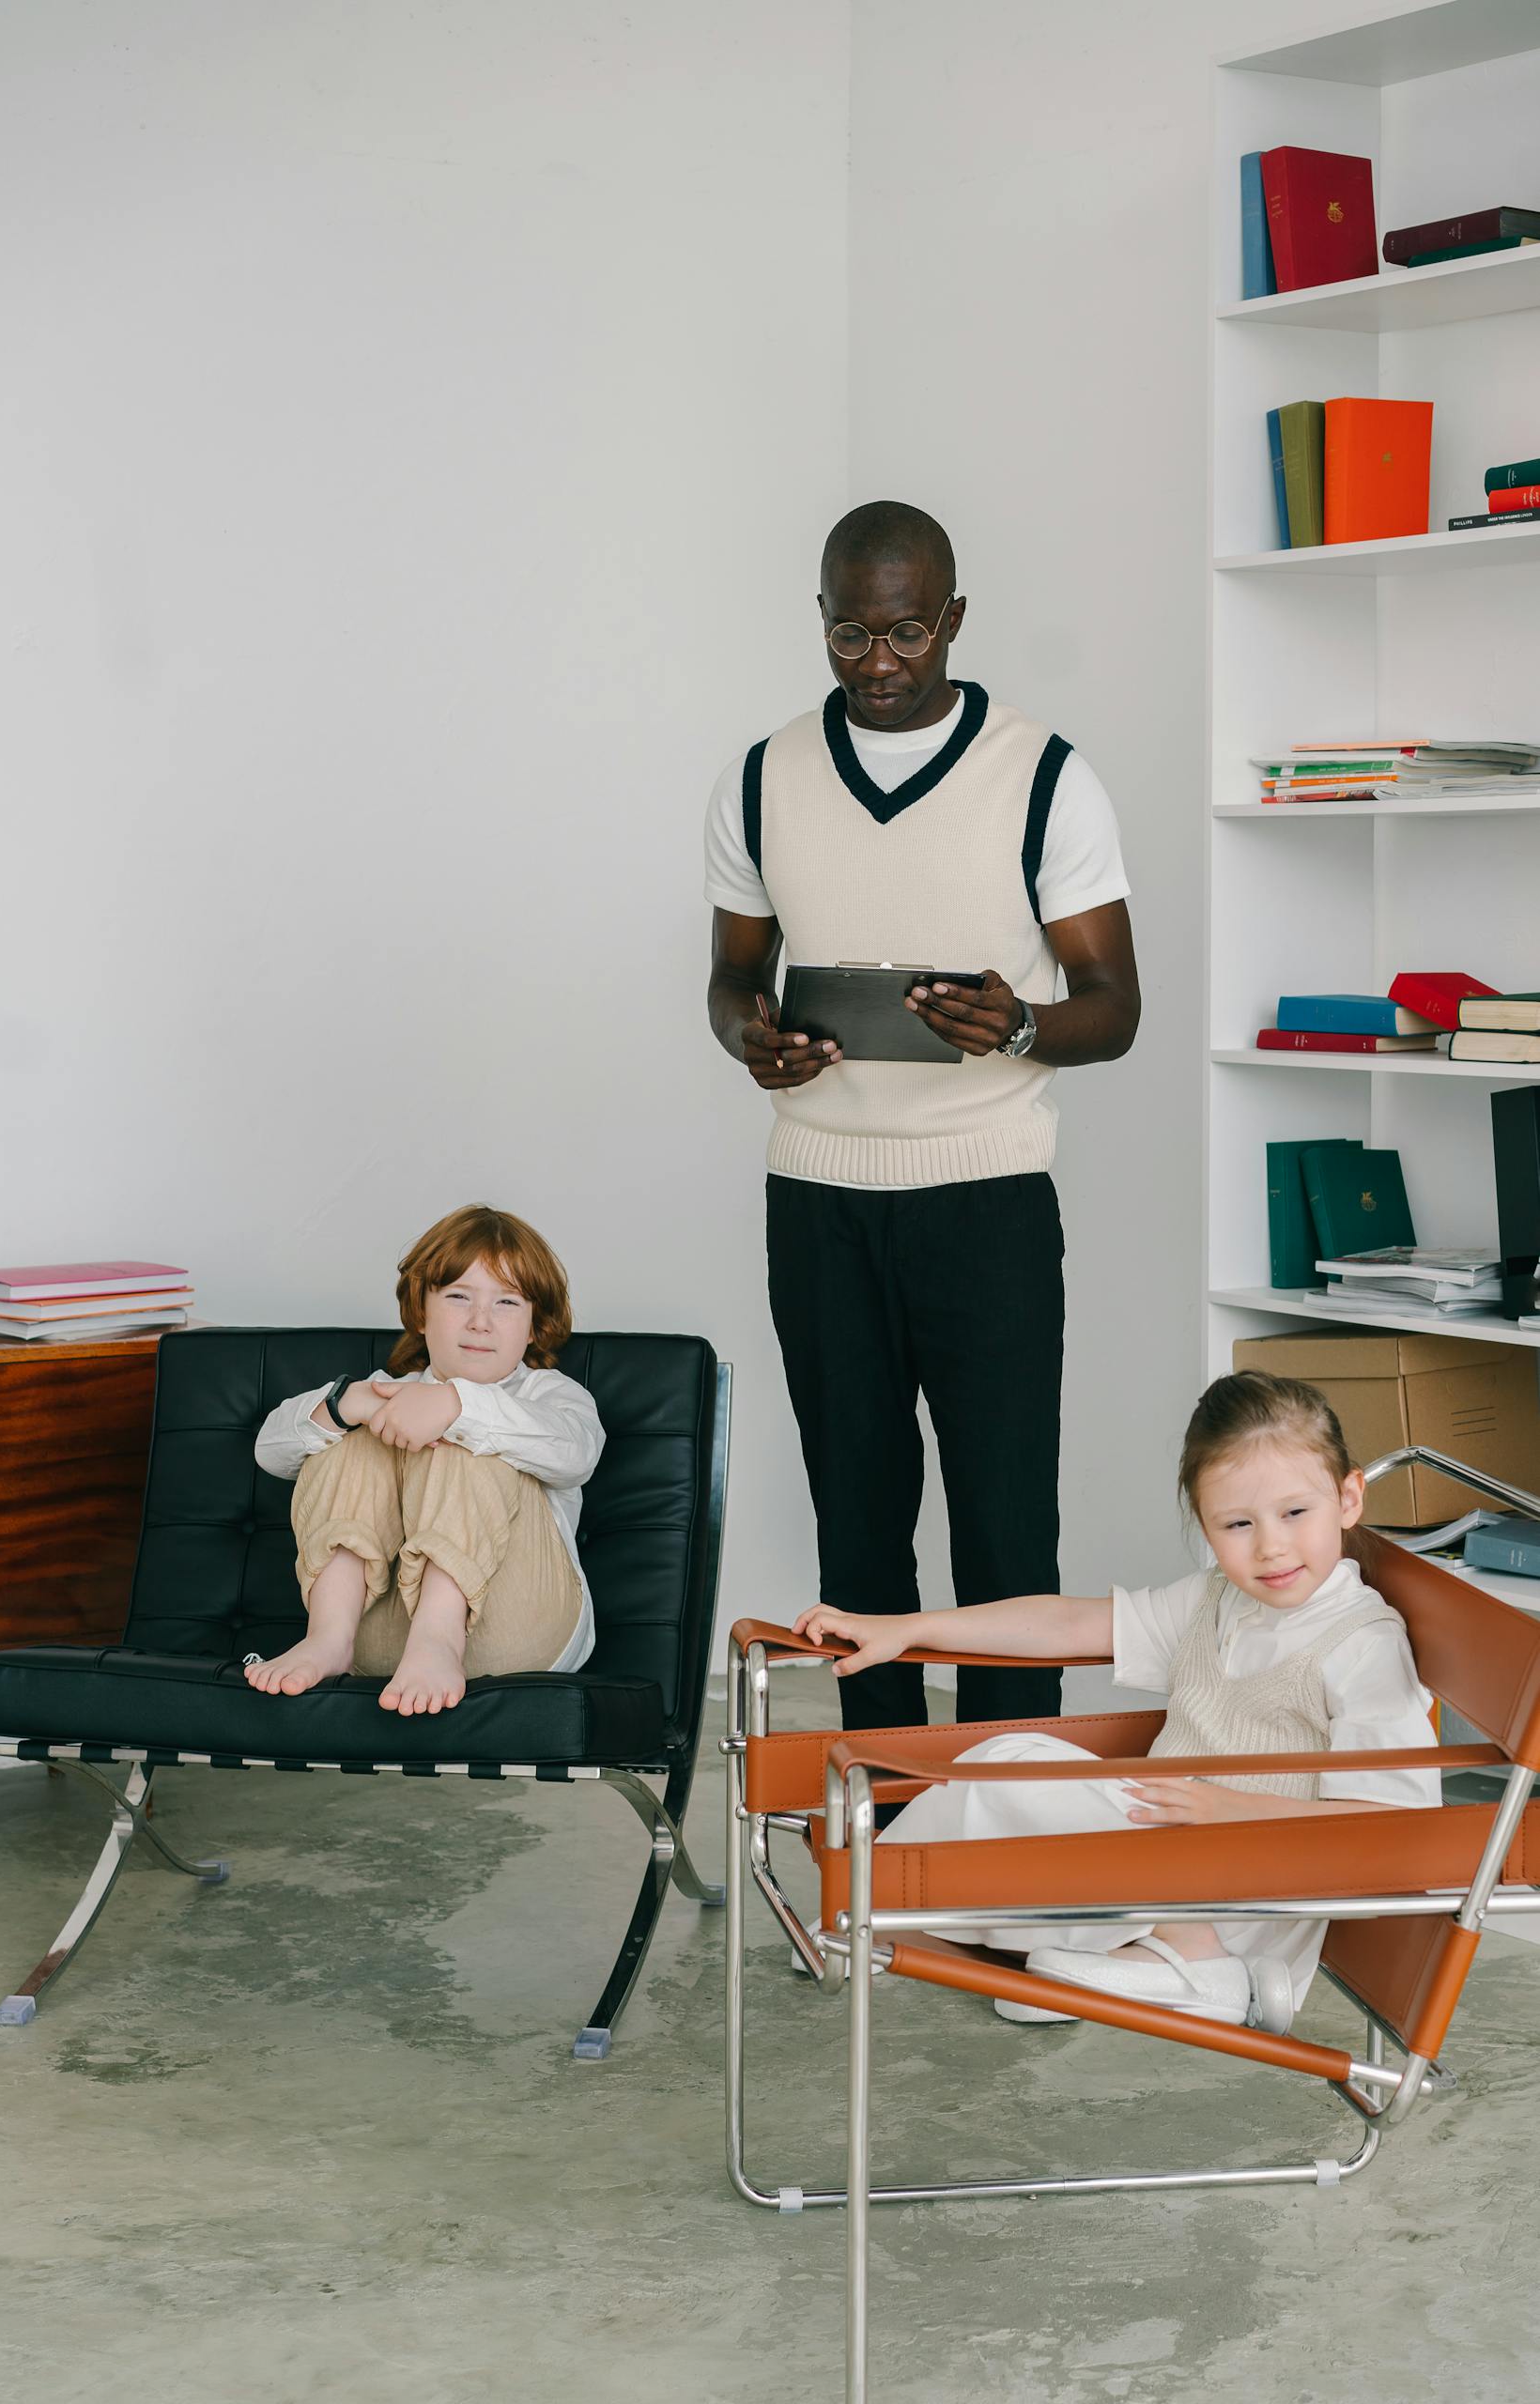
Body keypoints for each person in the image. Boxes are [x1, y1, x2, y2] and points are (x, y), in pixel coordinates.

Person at [706, 500, 1140, 1740]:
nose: (879, 663)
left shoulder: (1045, 777)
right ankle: (886, 1807)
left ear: (953, 618)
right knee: (857, 1525)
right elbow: (730, 976)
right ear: (821, 620)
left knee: (1003, 1529)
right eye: (849, 634)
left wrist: (1018, 1026)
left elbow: (1113, 1006)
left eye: (906, 631)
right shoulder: (762, 779)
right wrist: (752, 1036)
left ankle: (1007, 1804)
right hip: (819, 1201)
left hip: (987, 1200)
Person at [793, 1371, 1439, 2030]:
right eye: (1237, 1524)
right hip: (1159, 1850)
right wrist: (910, 1629)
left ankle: (1191, 1959)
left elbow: (1394, 1828)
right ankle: (885, 1907)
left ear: (1348, 1498)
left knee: (1033, 1793)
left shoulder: (1362, 1643)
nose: (1270, 1546)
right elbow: (1067, 1625)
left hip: (1248, 1889)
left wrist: (1230, 1810)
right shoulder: (1218, 1598)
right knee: (1005, 1759)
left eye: (1295, 1513)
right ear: (1205, 1526)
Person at [246, 1206, 603, 1716]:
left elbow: (577, 1456)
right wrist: (350, 1404)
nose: (480, 1322)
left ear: (532, 1326)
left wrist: (457, 1406)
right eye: (458, 1296)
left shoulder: (551, 1395)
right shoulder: (391, 1391)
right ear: (421, 1311)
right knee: (354, 1434)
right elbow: (270, 1451)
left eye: (506, 1302)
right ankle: (328, 1636)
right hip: (382, 1643)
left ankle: (440, 1636)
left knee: (472, 1435)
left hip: (518, 1631)